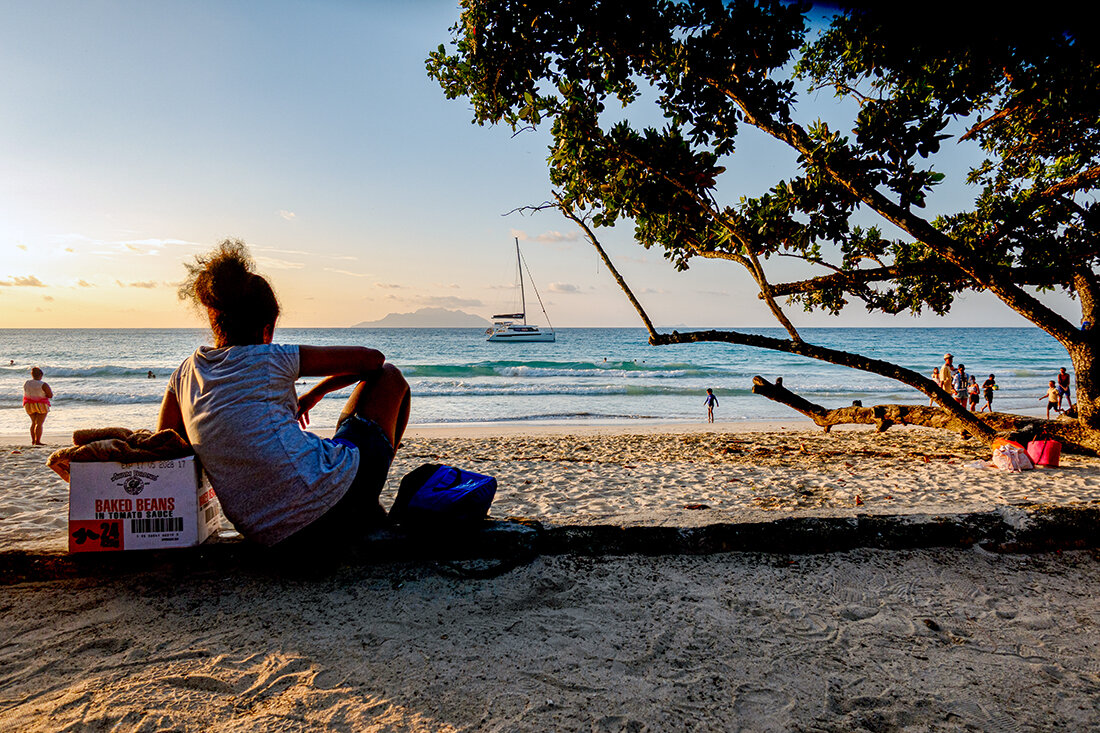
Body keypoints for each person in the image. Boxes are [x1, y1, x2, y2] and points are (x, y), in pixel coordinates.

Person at [156, 240, 410, 549]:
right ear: (267, 329)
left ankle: (363, 505)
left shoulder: (183, 375)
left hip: (270, 538)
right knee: (392, 377)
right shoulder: (273, 357)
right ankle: (366, 504)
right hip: (334, 511)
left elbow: (167, 445)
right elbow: (374, 361)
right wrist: (315, 394)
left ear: (213, 318)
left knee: (324, 451)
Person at [23, 366, 53, 446]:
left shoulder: (27, 383)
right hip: (41, 404)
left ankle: (33, 441)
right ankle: (38, 441)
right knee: (39, 423)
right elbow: (50, 395)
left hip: (28, 404)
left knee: (33, 423)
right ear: (41, 375)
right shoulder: (43, 384)